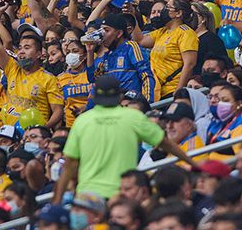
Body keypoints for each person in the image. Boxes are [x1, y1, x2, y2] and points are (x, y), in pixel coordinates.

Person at [53, 75, 196, 202]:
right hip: (123, 195)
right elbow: (167, 145)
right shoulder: (133, 117)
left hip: (88, 198)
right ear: (119, 97)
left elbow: (69, 165)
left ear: (95, 97)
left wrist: (57, 201)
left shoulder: (82, 121)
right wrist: (193, 164)